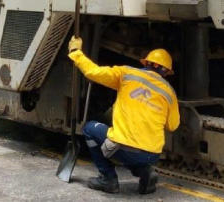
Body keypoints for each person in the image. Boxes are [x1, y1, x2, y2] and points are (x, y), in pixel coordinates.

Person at [66, 35, 179, 195]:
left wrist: (76, 51)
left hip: (126, 150)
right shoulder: (169, 92)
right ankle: (145, 172)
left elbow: (93, 72)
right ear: (166, 71)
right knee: (133, 150)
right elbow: (172, 125)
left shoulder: (126, 74)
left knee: (90, 129)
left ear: (146, 63)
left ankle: (108, 178)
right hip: (152, 155)